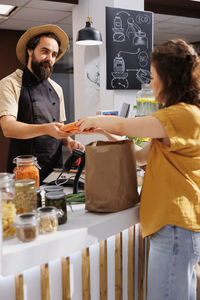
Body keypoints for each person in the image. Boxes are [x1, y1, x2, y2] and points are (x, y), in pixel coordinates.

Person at [77, 39, 200, 300]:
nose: (151, 83)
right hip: (173, 227)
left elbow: (124, 126)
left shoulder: (181, 116)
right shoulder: (175, 119)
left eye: (154, 77)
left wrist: (96, 121)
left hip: (176, 227)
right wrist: (103, 131)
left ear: (169, 79)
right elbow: (139, 156)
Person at [0, 24, 84, 183]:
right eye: (45, 51)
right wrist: (46, 128)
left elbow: (60, 127)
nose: (49, 58)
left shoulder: (57, 89)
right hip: (25, 170)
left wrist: (70, 141)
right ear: (30, 50)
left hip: (55, 170)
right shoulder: (11, 83)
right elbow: (8, 128)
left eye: (54, 54)